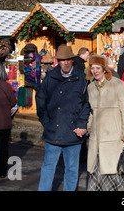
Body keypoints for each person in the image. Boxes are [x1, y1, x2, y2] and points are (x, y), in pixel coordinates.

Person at [36, 45, 90, 191]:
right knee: (48, 167)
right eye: (62, 60)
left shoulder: (81, 79)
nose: (65, 63)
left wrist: (81, 124)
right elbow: (40, 100)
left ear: (73, 60)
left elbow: (86, 105)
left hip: (73, 131)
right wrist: (46, 122)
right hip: (53, 130)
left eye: (68, 60)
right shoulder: (51, 77)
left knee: (72, 170)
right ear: (58, 61)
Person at [86, 55, 124, 191]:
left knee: (115, 174)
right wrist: (88, 127)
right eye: (92, 68)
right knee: (96, 177)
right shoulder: (91, 88)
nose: (95, 71)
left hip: (115, 138)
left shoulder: (118, 84)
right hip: (97, 140)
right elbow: (91, 112)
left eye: (98, 68)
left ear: (104, 69)